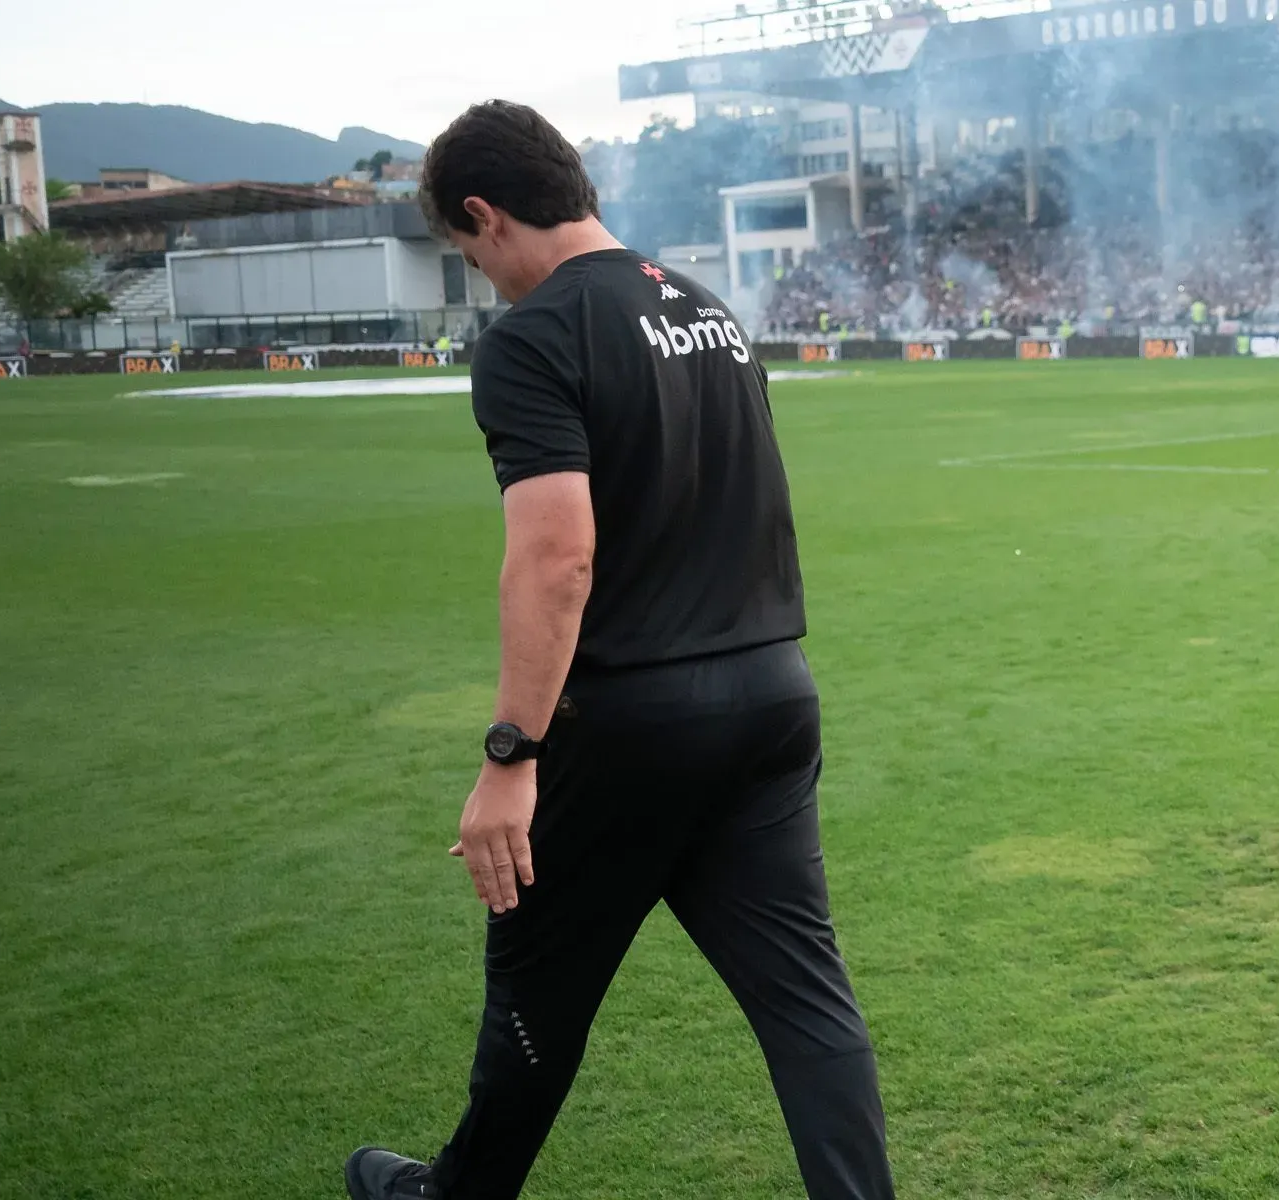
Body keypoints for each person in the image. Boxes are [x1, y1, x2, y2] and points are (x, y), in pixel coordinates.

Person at [343, 100, 897, 1200]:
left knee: (535, 998)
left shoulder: (537, 337)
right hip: (771, 696)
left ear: (485, 215)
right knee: (806, 1005)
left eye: (467, 251)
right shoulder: (708, 310)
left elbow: (558, 560)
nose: (481, 275)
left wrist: (510, 757)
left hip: (635, 723)